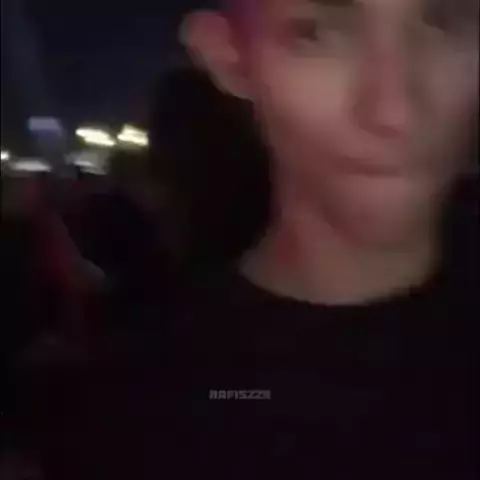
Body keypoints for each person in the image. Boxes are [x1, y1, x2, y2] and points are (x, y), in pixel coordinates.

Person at [11, 0, 478, 479]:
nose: (395, 111)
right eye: (316, 34)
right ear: (230, 58)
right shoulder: (139, 412)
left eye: (446, 23)